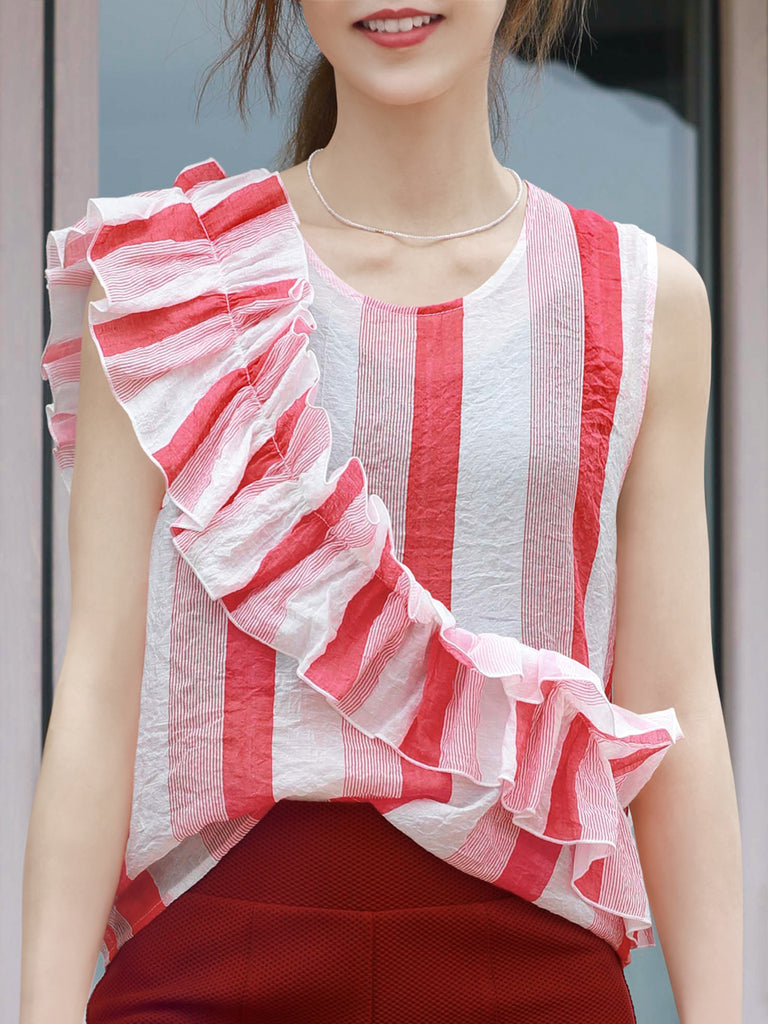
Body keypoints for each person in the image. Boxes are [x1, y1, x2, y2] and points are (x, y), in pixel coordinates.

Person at [21, 1, 743, 1022]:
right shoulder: (169, 285)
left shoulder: (642, 302)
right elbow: (97, 688)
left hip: (528, 979)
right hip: (211, 971)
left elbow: (680, 703)